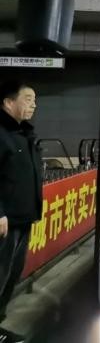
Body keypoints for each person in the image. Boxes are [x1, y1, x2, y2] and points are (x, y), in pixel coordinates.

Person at [0, 81, 42, 327]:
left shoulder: (24, 134)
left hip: (23, 218)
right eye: (27, 99)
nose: (33, 104)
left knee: (11, 276)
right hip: (5, 222)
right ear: (8, 102)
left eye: (35, 100)